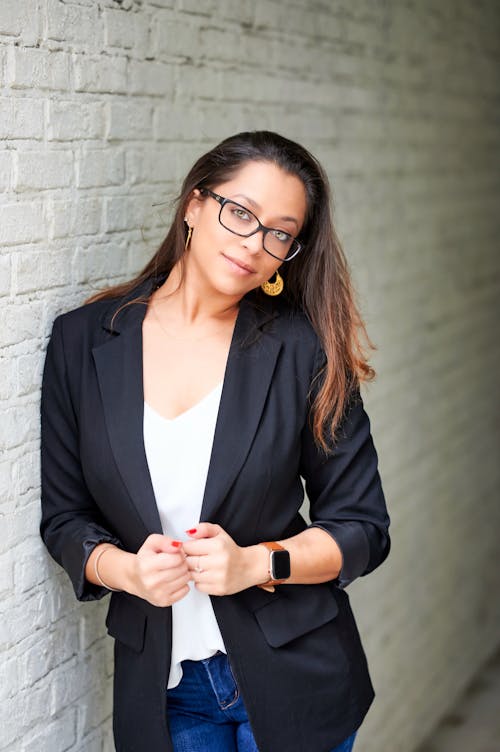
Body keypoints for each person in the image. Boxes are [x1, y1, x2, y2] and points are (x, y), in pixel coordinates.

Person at [40, 130, 390, 752]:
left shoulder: (303, 351)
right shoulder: (84, 341)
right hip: (165, 689)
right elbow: (65, 518)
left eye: (279, 233)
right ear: (194, 205)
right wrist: (125, 571)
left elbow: (362, 526)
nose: (255, 244)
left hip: (294, 680)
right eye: (241, 213)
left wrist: (257, 562)